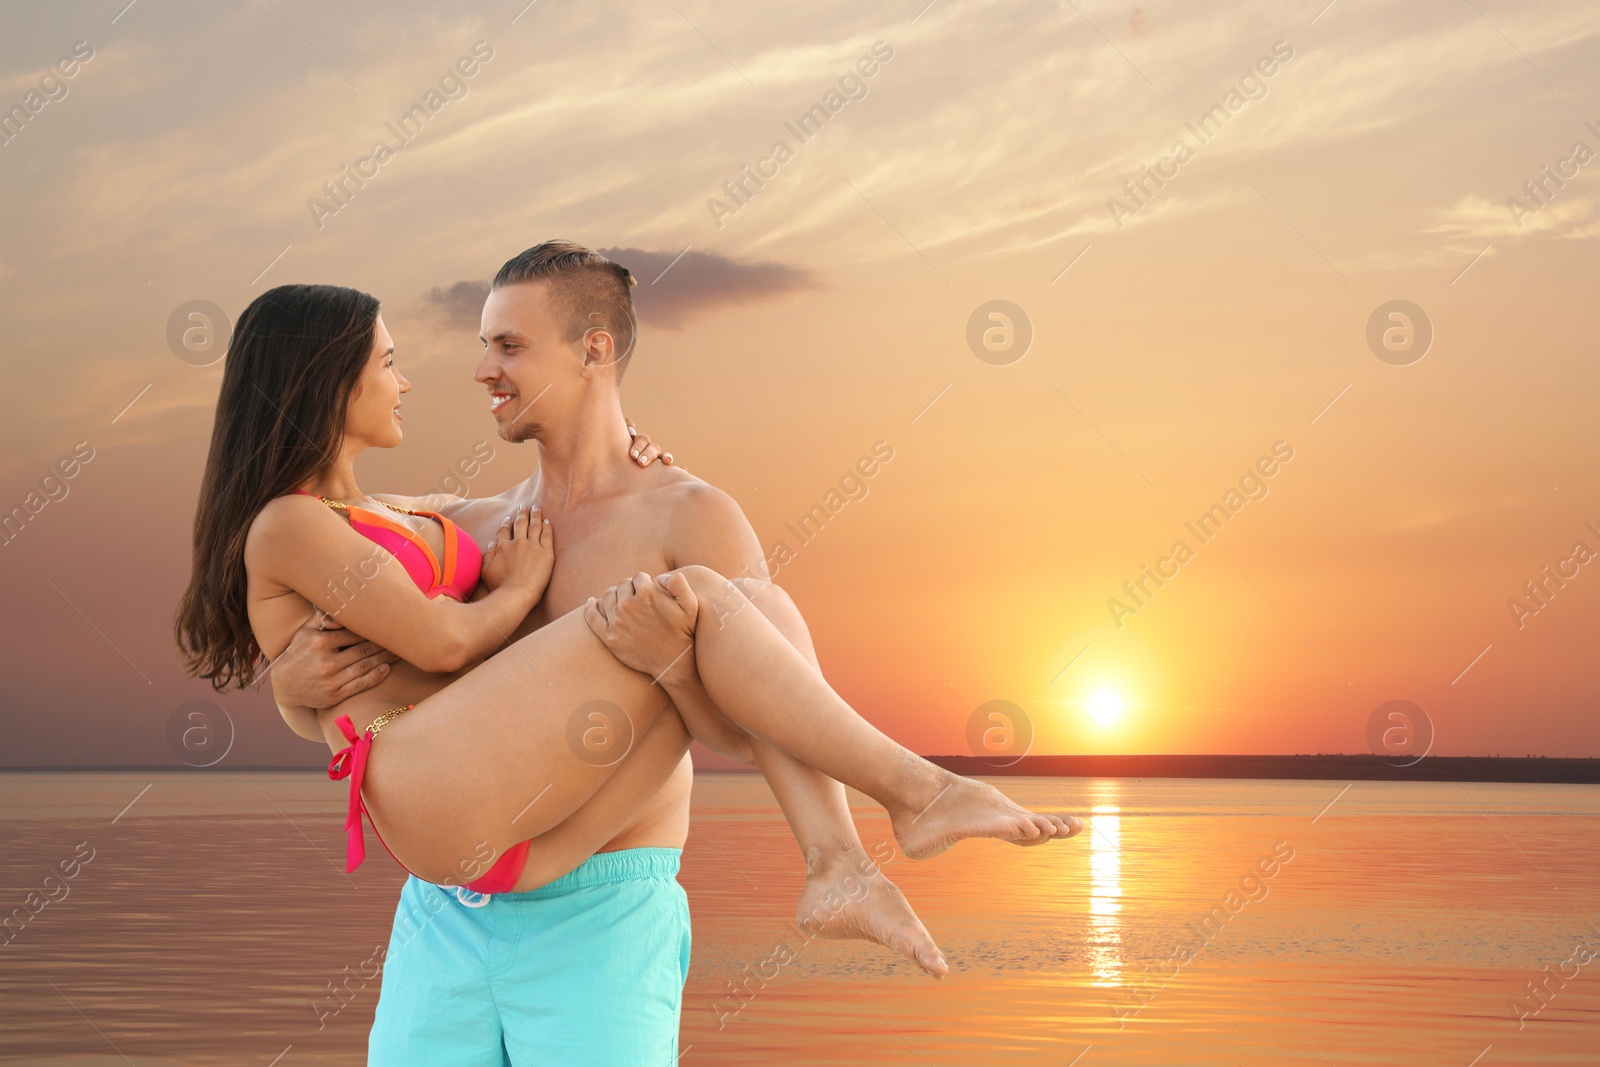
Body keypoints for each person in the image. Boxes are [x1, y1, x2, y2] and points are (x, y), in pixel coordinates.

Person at [178, 248, 1080, 1064]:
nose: (480, 369)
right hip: (447, 911)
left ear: (592, 351)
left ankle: (862, 840)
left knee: (736, 605)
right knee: (713, 603)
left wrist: (675, 667)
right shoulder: (478, 524)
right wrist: (287, 692)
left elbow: (752, 722)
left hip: (602, 904)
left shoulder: (689, 514)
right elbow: (348, 628)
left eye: (509, 345)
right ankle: (889, 817)